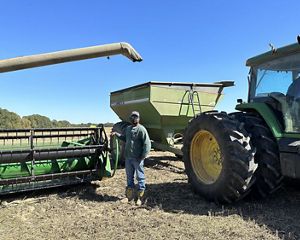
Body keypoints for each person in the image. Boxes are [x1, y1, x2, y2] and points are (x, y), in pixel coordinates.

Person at [111, 111, 151, 206]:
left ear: (139, 119)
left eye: (136, 117)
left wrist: (143, 156)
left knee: (140, 177)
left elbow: (147, 144)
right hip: (128, 158)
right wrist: (116, 134)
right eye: (133, 117)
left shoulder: (141, 129)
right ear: (130, 118)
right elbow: (125, 138)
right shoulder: (128, 129)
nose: (134, 119)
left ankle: (140, 198)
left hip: (138, 158)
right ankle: (129, 197)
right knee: (129, 177)